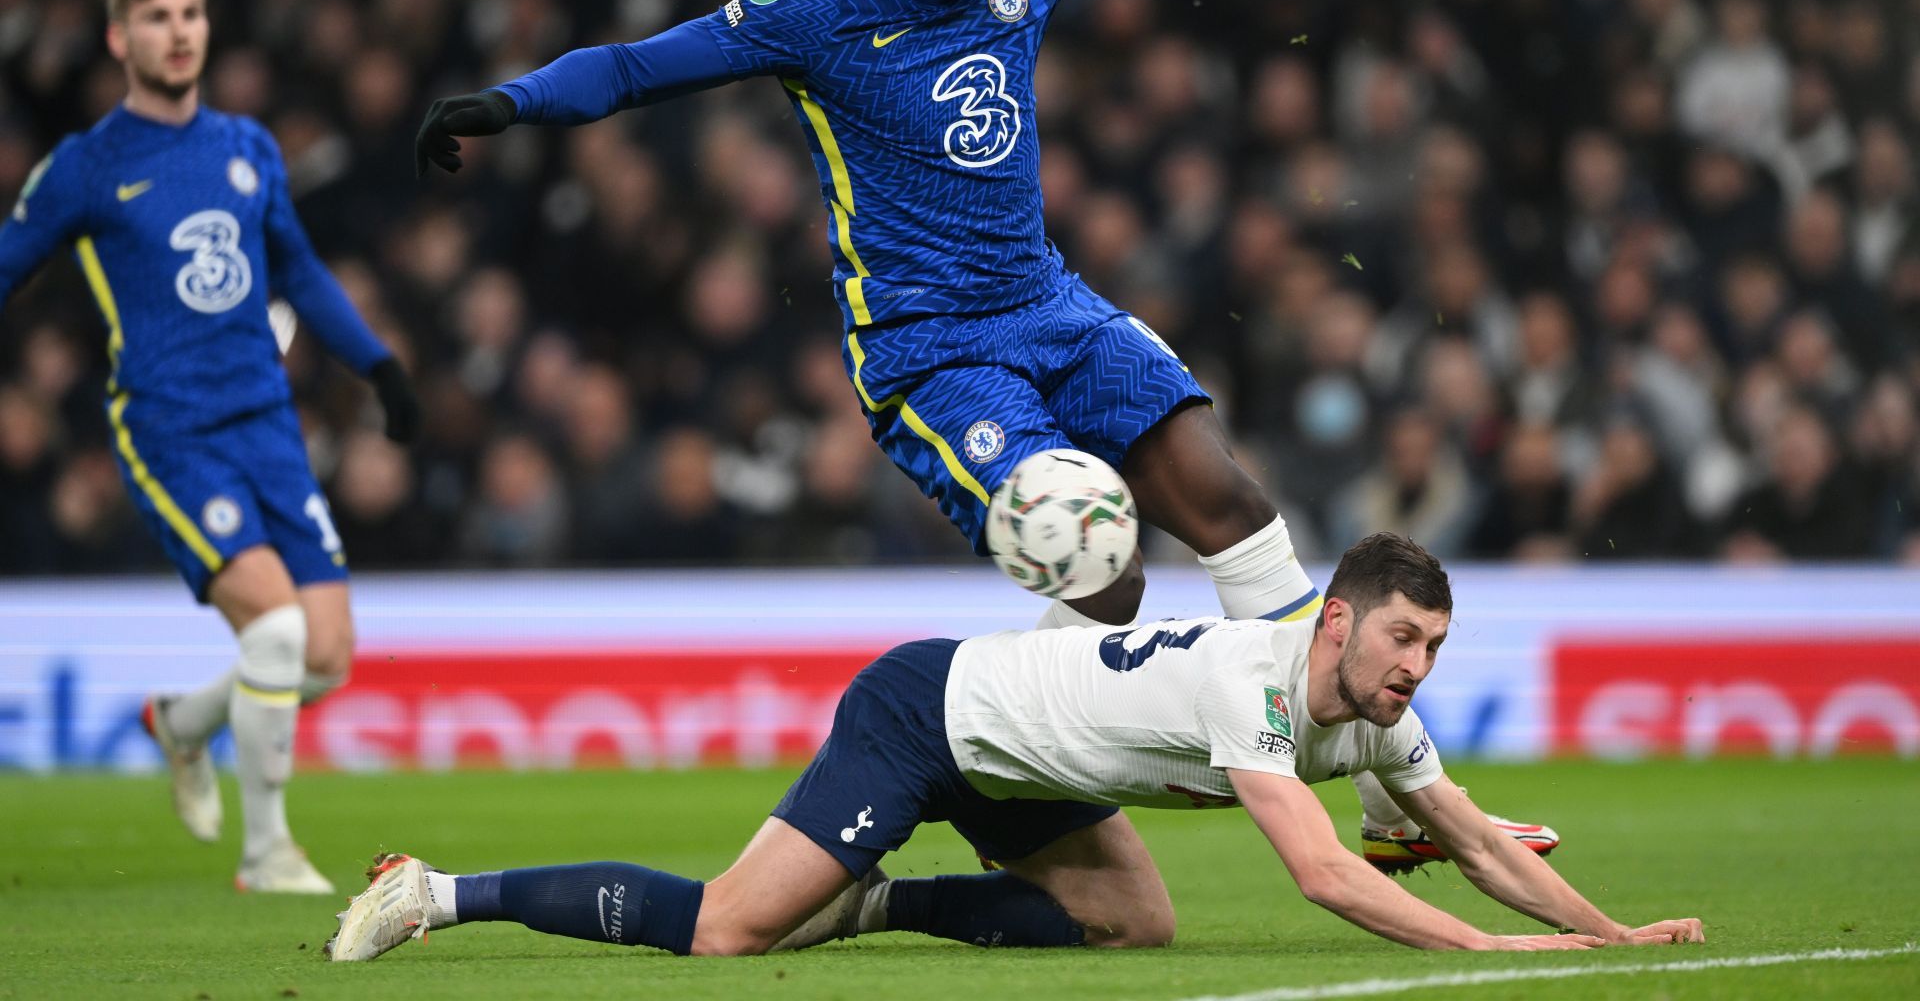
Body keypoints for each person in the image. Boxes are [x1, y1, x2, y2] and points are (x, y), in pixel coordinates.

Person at [411, 0, 1528, 867]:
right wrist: (510, 102)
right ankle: (992, 739)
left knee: (1227, 498)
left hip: (1048, 302)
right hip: (929, 351)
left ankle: (1392, 802)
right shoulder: (818, 7)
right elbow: (637, 66)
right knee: (1108, 570)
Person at [324, 533, 1702, 961]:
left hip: (1033, 762)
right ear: (1336, 620)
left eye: (1436, 651)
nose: (1416, 670)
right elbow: (1331, 879)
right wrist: (1498, 954)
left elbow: (1472, 840)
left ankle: (877, 903)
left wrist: (1615, 933)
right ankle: (439, 892)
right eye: (1402, 640)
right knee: (729, 936)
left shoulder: (1384, 720)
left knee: (1131, 923)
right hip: (931, 716)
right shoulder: (1258, 682)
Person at [0, 0, 420, 893]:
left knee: (327, 657)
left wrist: (378, 364)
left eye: (191, 12)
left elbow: (300, 272)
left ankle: (183, 725)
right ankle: (267, 853)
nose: (180, 31)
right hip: (171, 430)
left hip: (266, 423)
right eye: (157, 18)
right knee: (273, 637)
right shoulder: (86, 167)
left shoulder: (247, 146)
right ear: (120, 39)